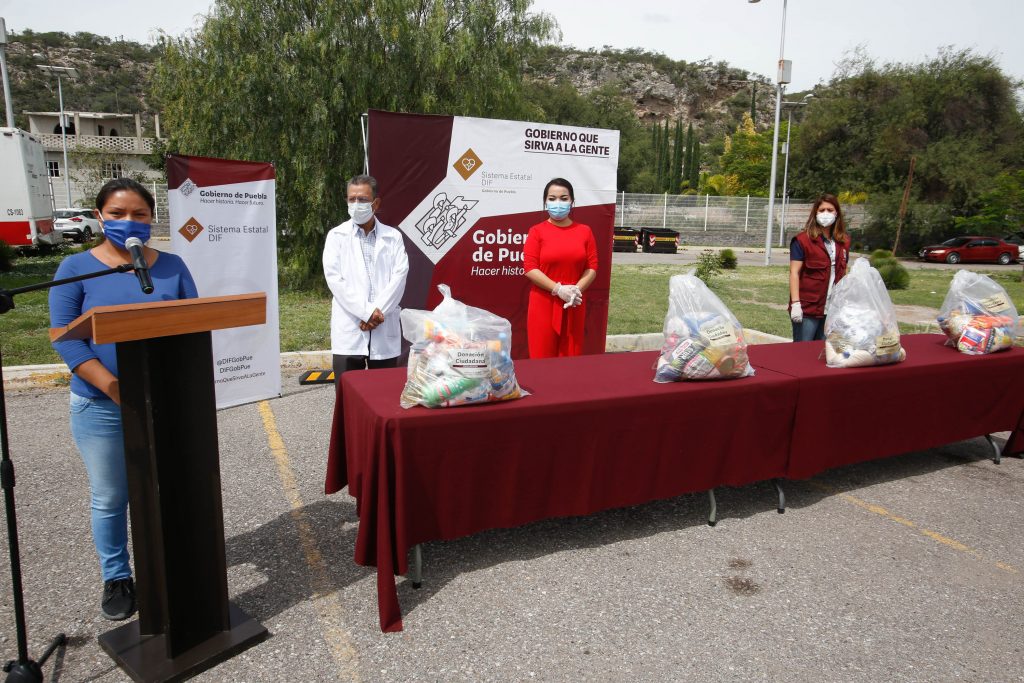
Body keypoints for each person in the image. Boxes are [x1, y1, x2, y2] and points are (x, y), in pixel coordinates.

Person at [49, 178, 198, 621]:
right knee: (112, 496)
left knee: (171, 488)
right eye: (117, 214)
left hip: (164, 401)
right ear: (99, 217)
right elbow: (65, 339)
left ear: (152, 219)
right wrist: (116, 389)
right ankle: (117, 576)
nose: (128, 222)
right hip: (101, 406)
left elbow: (194, 326)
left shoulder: (171, 266)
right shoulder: (77, 268)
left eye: (139, 214)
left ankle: (169, 564)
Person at [322, 174, 409, 386]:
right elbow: (335, 280)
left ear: (376, 203)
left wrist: (377, 313)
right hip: (351, 327)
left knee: (384, 394)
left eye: (362, 199)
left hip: (383, 324)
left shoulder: (393, 236)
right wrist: (366, 312)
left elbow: (400, 275)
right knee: (348, 396)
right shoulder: (336, 236)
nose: (356, 204)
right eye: (351, 199)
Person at [523, 177, 599, 358]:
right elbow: (530, 267)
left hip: (574, 303)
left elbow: (592, 267)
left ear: (572, 202)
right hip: (543, 303)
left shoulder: (584, 231)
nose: (558, 203)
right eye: (552, 198)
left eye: (564, 198)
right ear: (545, 202)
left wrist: (575, 291)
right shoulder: (536, 231)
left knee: (570, 360)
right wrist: (558, 289)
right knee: (541, 358)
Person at [788, 193, 850, 341]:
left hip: (832, 308)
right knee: (802, 352)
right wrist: (796, 304)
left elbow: (844, 272)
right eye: (821, 210)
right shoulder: (802, 241)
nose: (826, 213)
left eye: (830, 210)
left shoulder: (844, 242)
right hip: (808, 308)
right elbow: (794, 272)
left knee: (823, 352)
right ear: (815, 213)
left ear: (837, 213)